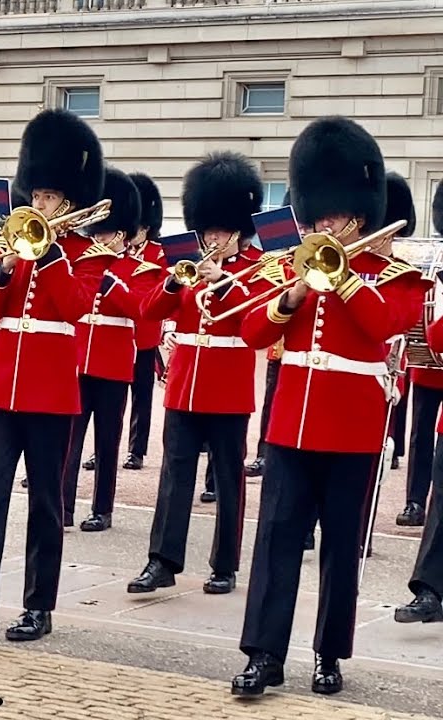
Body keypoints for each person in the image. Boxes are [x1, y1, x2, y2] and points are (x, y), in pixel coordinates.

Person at [233, 116, 430, 697]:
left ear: (359, 217)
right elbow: (251, 331)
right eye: (317, 216)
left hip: (353, 430)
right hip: (290, 427)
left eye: (333, 217)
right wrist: (295, 292)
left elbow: (382, 325)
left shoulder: (395, 277)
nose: (322, 225)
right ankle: (264, 654)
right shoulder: (289, 267)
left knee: (341, 552)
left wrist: (342, 279)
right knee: (275, 544)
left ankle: (328, 655)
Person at [0, 108, 106, 645]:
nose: (37, 204)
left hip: (51, 392)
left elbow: (75, 307)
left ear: (69, 202)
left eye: (48, 197)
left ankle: (39, 605)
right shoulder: (9, 249)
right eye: (34, 195)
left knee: (45, 504)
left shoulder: (86, 255)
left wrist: (49, 254)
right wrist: (3, 269)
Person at [126, 152, 267, 596]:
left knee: (228, 479)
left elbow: (254, 322)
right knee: (174, 476)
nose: (212, 238)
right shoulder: (186, 264)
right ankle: (162, 560)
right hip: (185, 385)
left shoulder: (259, 267)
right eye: (207, 231)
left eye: (220, 231)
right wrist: (173, 282)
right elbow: (148, 310)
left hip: (228, 386)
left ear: (238, 230)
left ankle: (225, 564)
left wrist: (222, 281)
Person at [61, 168, 163, 532]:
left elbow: (140, 308)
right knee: (70, 439)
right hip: (79, 360)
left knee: (107, 441)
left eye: (103, 233)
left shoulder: (140, 269)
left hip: (114, 364)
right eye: (95, 233)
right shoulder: (82, 263)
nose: (97, 239)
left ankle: (102, 509)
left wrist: (111, 282)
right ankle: (63, 506)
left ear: (120, 234)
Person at [396, 178, 443, 624]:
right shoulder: (432, 265)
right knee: (440, 502)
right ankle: (429, 590)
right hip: (431, 374)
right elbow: (433, 336)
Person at [123, 172, 165, 470]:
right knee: (111, 401)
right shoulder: (119, 253)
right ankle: (104, 449)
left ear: (147, 227)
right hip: (117, 333)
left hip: (144, 334)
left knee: (141, 394)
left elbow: (160, 291)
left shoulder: (159, 254)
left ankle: (136, 449)